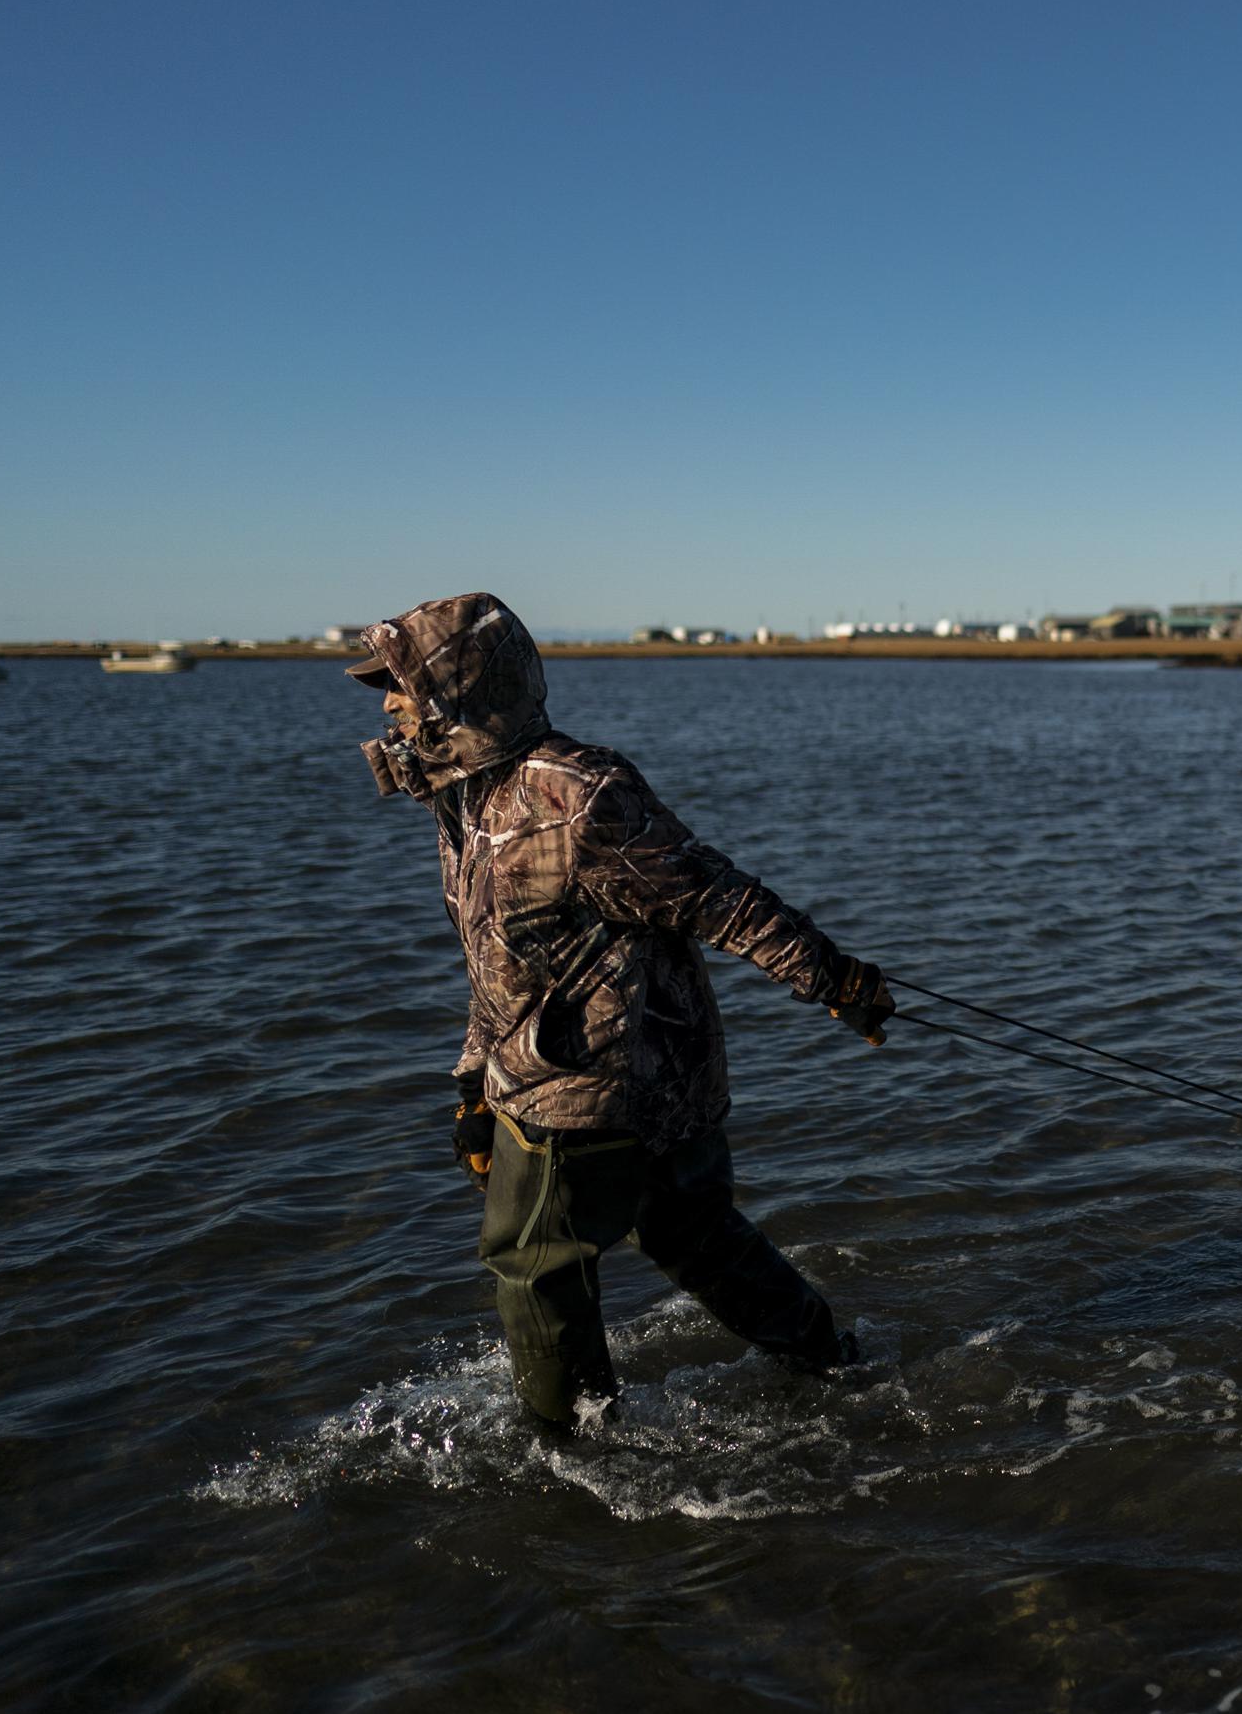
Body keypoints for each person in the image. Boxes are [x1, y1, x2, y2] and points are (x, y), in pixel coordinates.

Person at [350, 592, 895, 1427]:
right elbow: (500, 964)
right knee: (694, 1234)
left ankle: (573, 1452)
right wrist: (469, 1089)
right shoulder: (467, 801)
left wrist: (836, 982)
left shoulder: (576, 792)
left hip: (582, 1090)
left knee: (532, 1261)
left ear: (457, 691)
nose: (388, 705)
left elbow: (721, 900)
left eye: (399, 685)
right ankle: (835, 1368)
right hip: (630, 1076)